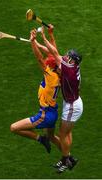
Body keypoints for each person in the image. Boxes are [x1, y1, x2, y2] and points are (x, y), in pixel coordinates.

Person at [10, 29, 61, 154]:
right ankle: (67, 157)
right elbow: (53, 52)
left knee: (14, 128)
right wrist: (50, 34)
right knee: (52, 137)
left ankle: (40, 139)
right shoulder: (57, 71)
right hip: (53, 112)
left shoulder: (51, 77)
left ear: (51, 65)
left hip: (45, 115)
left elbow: (39, 59)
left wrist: (33, 42)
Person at [40, 25, 83, 173]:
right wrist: (50, 35)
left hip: (72, 106)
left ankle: (66, 161)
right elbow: (55, 54)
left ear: (73, 61)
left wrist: (44, 37)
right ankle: (67, 159)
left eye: (69, 57)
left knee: (63, 133)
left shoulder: (68, 69)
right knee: (67, 133)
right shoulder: (74, 67)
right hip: (73, 103)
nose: (66, 57)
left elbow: (53, 52)